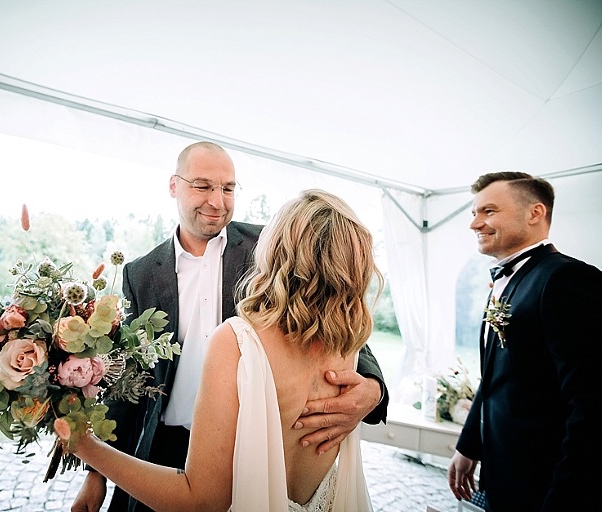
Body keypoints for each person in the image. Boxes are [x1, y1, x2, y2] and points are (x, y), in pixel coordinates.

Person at [72, 142, 389, 512]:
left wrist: (372, 389)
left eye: (228, 188)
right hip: (159, 446)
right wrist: (95, 472)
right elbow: (128, 381)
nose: (218, 201)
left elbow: (338, 322)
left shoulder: (274, 246)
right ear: (174, 186)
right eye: (203, 186)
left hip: (257, 449)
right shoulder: (139, 274)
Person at [448, 172, 602, 511]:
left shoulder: (570, 281)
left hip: (547, 487)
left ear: (535, 213)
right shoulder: (511, 281)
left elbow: (601, 411)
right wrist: (469, 446)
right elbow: (494, 379)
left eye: (488, 211)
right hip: (504, 476)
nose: (474, 224)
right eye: (474, 213)